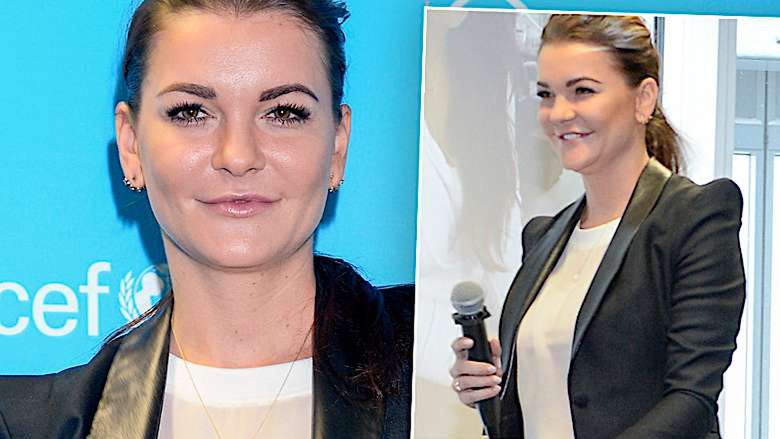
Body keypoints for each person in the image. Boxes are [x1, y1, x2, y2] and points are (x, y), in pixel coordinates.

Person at [0, 1, 413, 438]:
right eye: (191, 112)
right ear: (131, 145)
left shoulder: (446, 370)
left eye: (283, 113)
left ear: (337, 145)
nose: (238, 156)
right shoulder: (26, 426)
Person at [449, 14, 745, 439]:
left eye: (582, 91)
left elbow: (691, 399)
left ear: (643, 99)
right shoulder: (542, 237)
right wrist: (499, 381)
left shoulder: (695, 216)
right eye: (546, 94)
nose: (558, 113)